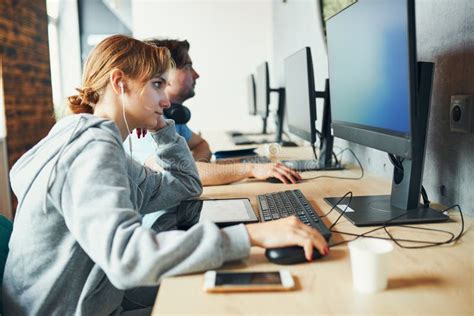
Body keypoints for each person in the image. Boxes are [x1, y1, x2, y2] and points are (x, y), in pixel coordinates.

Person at [2, 35, 328, 315]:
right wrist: (253, 235)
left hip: (97, 299)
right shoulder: (92, 147)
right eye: (157, 84)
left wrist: (163, 129)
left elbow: (184, 185)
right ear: (119, 82)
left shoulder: (94, 141)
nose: (167, 98)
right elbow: (128, 259)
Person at [128, 38, 302, 186]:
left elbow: (201, 146)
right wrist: (252, 168)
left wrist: (196, 166)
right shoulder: (145, 124)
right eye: (188, 66)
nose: (196, 74)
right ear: (167, 73)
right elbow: (183, 172)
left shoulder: (172, 118)